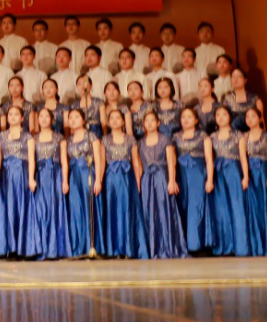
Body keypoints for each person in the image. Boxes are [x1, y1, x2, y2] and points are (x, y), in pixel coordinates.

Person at [94, 109, 145, 259]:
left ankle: (128, 248)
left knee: (127, 211)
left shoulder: (130, 139)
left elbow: (136, 162)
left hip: (127, 178)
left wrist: (138, 181)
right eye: (112, 118)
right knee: (112, 212)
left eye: (118, 118)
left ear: (123, 121)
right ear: (108, 122)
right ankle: (114, 249)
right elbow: (102, 162)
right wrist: (99, 180)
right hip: (111, 179)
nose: (115, 121)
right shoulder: (104, 140)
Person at [137, 111, 186, 259]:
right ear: (143, 124)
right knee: (149, 212)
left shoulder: (165, 139)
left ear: (158, 123)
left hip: (162, 177)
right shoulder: (140, 142)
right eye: (147, 121)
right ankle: (153, 247)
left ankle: (169, 245)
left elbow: (171, 161)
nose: (150, 123)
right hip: (147, 179)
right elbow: (139, 165)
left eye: (153, 120)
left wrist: (172, 180)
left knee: (165, 211)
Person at [26, 108, 69, 260]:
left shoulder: (59, 138)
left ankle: (54, 249)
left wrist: (65, 180)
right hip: (39, 176)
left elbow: (64, 160)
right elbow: (31, 160)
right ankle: (41, 248)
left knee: (54, 210)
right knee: (39, 211)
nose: (43, 119)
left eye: (46, 116)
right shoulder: (33, 138)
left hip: (55, 176)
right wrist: (31, 178)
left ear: (52, 119)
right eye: (41, 116)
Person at [209, 107, 250, 257]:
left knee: (236, 206)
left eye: (224, 114)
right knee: (221, 209)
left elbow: (243, 157)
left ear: (230, 117)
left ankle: (241, 246)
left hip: (233, 170)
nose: (221, 117)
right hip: (218, 172)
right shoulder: (211, 137)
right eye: (218, 115)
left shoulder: (238, 135)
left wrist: (245, 176)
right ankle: (225, 246)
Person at [174, 108, 215, 255]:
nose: (186, 120)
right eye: (183, 117)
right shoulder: (175, 137)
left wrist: (210, 179)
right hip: (181, 174)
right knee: (183, 206)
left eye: (190, 117)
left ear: (196, 120)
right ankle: (184, 244)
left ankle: (196, 245)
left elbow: (209, 160)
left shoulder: (203, 136)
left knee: (196, 207)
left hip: (198, 174)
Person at [242, 108, 267, 257]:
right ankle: (256, 245)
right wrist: (245, 176)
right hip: (250, 174)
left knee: (266, 205)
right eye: (247, 116)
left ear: (259, 118)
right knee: (253, 208)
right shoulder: (243, 137)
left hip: (264, 172)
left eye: (253, 116)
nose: (250, 119)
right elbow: (243, 158)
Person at [0, 106, 32, 259]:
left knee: (21, 207)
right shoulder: (1, 136)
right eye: (10, 114)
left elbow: (31, 159)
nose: (13, 116)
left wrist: (31, 178)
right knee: (8, 208)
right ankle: (9, 246)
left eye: (16, 114)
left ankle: (23, 247)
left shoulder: (27, 136)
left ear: (22, 118)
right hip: (6, 175)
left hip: (22, 174)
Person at [62, 108, 99, 257]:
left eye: (76, 117)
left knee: (89, 207)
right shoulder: (67, 140)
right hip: (74, 176)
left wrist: (98, 179)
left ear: (83, 120)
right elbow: (65, 162)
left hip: (88, 173)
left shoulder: (91, 136)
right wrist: (65, 180)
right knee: (76, 209)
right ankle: (78, 246)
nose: (73, 120)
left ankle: (92, 245)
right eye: (70, 118)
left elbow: (98, 158)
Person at [222, 68, 263, 132]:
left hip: (252, 133)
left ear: (245, 80)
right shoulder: (227, 99)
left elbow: (261, 120)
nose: (236, 79)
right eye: (233, 77)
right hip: (234, 133)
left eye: (239, 76)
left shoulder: (255, 98)